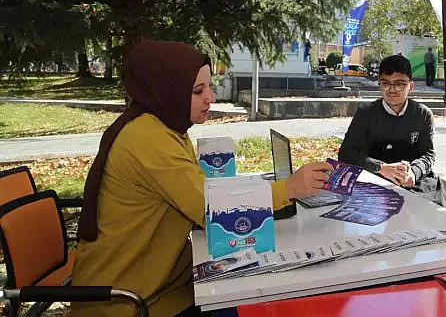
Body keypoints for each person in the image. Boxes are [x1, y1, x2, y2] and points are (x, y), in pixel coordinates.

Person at [71, 41, 333, 317]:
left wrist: (263, 188)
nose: (211, 97)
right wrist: (289, 188)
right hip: (133, 301)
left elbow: (198, 188)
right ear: (166, 90)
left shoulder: (162, 126)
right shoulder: (147, 139)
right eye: (198, 90)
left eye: (209, 86)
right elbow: (212, 210)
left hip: (165, 283)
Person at [338, 55, 446, 207]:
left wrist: (414, 172)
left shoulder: (422, 114)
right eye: (385, 83)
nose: (392, 90)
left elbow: (428, 154)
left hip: (414, 181)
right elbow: (346, 153)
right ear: (379, 85)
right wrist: (380, 168)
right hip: (376, 180)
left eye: (399, 84)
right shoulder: (366, 114)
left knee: (430, 211)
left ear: (411, 86)